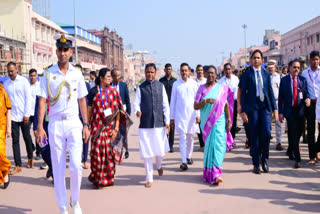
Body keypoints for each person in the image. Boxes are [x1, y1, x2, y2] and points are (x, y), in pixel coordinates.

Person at [36, 34, 89, 214]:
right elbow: (42, 100)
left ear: (70, 52)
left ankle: (75, 200)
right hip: (56, 124)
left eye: (66, 49)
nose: (62, 53)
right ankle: (62, 207)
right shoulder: (48, 73)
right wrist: (40, 126)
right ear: (56, 50)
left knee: (75, 165)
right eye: (60, 49)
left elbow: (82, 100)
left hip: (74, 122)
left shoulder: (77, 73)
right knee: (58, 167)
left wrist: (86, 124)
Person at [88, 68, 130, 188]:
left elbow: (118, 112)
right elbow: (89, 111)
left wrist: (116, 128)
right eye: (107, 77)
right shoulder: (93, 92)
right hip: (96, 129)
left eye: (110, 77)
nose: (109, 79)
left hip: (109, 129)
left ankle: (108, 179)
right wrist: (87, 126)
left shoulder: (113, 92)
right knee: (96, 154)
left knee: (108, 155)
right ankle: (97, 178)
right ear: (101, 78)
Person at [240, 50, 278, 174]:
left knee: (266, 133)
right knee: (254, 135)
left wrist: (275, 109)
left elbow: (270, 92)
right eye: (254, 58)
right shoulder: (247, 74)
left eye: (258, 58)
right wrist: (243, 110)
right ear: (251, 60)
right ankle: (256, 163)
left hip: (265, 106)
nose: (256, 60)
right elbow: (242, 93)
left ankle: (264, 159)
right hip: (253, 106)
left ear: (262, 60)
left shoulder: (266, 74)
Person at [194, 65, 234, 184]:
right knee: (210, 147)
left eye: (213, 73)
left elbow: (226, 105)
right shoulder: (201, 88)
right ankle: (209, 172)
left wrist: (229, 120)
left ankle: (217, 173)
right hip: (207, 123)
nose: (210, 75)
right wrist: (205, 101)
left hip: (220, 121)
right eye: (208, 73)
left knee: (220, 146)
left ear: (216, 75)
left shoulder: (222, 88)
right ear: (205, 75)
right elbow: (195, 106)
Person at [134, 63, 170, 188]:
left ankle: (159, 165)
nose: (149, 74)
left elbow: (165, 105)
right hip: (145, 124)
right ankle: (149, 178)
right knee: (147, 152)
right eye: (147, 72)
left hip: (159, 123)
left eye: (152, 72)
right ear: (145, 73)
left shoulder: (160, 86)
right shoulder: (140, 87)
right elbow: (136, 103)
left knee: (160, 151)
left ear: (155, 73)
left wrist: (167, 122)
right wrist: (137, 111)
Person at [278, 60, 310, 168]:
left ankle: (290, 148)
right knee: (294, 132)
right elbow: (281, 97)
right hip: (290, 110)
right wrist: (280, 113)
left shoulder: (303, 80)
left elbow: (306, 94)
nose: (296, 69)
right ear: (289, 68)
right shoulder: (284, 80)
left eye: (298, 67)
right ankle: (298, 158)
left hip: (300, 110)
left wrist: (308, 99)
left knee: (300, 131)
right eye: (294, 67)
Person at [4, 62, 34, 174]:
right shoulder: (6, 83)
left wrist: (27, 114)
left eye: (12, 71)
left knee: (27, 137)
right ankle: (18, 164)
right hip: (13, 117)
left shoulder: (24, 82)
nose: (10, 73)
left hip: (24, 115)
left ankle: (30, 157)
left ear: (17, 69)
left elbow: (28, 99)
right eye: (8, 71)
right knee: (15, 140)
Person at [170, 63, 200, 170]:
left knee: (190, 138)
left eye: (186, 70)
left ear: (189, 72)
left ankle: (188, 156)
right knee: (182, 138)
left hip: (192, 115)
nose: (184, 72)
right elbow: (172, 102)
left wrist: (198, 114)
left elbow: (198, 100)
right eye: (182, 70)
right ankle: (183, 161)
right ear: (180, 71)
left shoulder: (194, 84)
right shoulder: (176, 84)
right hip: (180, 116)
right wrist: (172, 118)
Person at [301, 50, 320, 164]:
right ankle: (312, 156)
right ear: (310, 60)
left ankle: (317, 149)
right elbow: (303, 89)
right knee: (311, 130)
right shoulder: (304, 73)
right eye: (313, 59)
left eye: (317, 59)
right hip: (310, 104)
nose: (315, 61)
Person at [111, 68, 131, 158]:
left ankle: (125, 149)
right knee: (114, 130)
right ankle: (114, 150)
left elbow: (127, 100)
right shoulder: (109, 86)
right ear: (112, 76)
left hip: (122, 111)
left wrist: (129, 112)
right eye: (115, 75)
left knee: (123, 131)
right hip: (111, 113)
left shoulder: (123, 86)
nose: (117, 77)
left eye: (119, 75)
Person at [75, 64, 91, 170]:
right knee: (75, 141)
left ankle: (85, 159)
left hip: (83, 116)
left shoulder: (87, 85)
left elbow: (88, 102)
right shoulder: (69, 84)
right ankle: (77, 160)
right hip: (72, 116)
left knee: (85, 138)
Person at [218, 63, 239, 139]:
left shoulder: (236, 79)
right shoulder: (220, 81)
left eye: (229, 69)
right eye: (226, 69)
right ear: (224, 70)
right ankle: (225, 137)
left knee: (234, 120)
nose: (227, 71)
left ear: (231, 70)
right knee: (225, 120)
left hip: (234, 102)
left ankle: (232, 137)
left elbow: (238, 91)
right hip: (224, 103)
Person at [159, 63, 177, 153]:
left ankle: (171, 146)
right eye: (167, 69)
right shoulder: (161, 81)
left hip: (173, 107)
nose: (168, 71)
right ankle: (164, 145)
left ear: (171, 70)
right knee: (164, 126)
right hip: (163, 107)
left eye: (170, 69)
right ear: (164, 70)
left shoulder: (175, 81)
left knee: (172, 126)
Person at [267, 60, 283, 151]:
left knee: (278, 123)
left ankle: (279, 142)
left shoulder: (279, 77)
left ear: (275, 67)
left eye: (272, 67)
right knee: (267, 123)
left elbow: (281, 90)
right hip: (267, 102)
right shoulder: (265, 76)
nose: (270, 69)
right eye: (269, 67)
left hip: (277, 102)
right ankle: (267, 142)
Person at [0, 82, 12, 189]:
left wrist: (9, 127)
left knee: (0, 152)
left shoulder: (3, 92)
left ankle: (6, 171)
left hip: (1, 127)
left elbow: (8, 110)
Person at [29, 68, 42, 160]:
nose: (33, 77)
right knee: (26, 133)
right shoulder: (26, 86)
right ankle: (31, 146)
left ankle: (39, 152)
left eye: (34, 75)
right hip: (28, 112)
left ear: (36, 76)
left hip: (38, 112)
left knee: (38, 132)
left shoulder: (40, 86)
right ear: (29, 76)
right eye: (31, 76)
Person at [194, 64, 207, 152]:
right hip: (198, 105)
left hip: (206, 106)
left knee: (206, 126)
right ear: (196, 71)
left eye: (201, 70)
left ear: (203, 71)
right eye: (198, 70)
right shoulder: (193, 82)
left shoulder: (206, 81)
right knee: (199, 125)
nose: (200, 71)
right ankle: (202, 144)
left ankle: (207, 144)